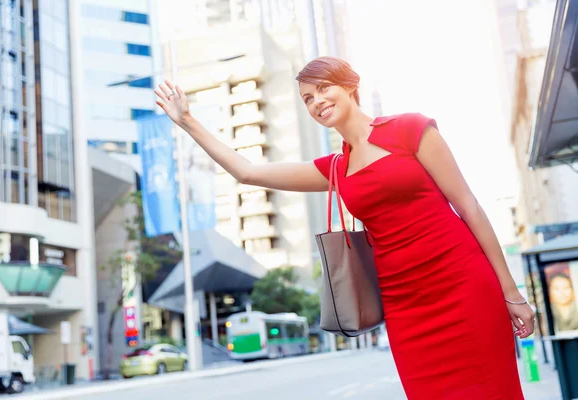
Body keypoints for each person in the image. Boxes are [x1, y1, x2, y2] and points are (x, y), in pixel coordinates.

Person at [155, 56, 535, 399]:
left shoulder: (410, 129)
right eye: (307, 99)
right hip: (406, 307)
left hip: (463, 286)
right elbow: (247, 171)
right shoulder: (335, 168)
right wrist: (188, 121)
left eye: (324, 88)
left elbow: (467, 205)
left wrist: (511, 292)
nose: (316, 101)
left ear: (350, 86)